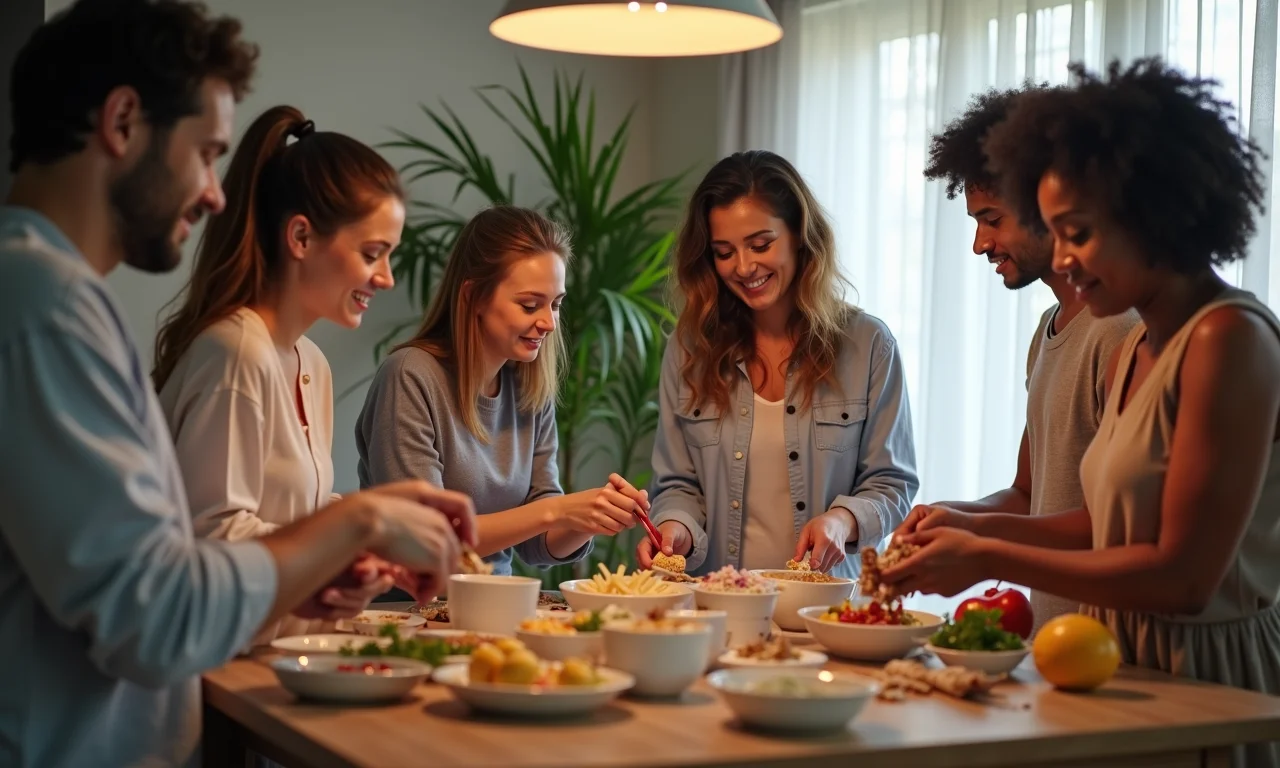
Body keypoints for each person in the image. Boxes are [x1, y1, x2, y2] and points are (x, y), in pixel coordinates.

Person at [0, 2, 475, 765]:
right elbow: (156, 618)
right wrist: (354, 523)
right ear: (122, 122)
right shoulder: (45, 311)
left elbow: (161, 572)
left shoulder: (55, 300)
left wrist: (312, 575)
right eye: (204, 153)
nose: (216, 194)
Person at [883, 59, 1280, 767]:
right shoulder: (1142, 345)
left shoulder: (1229, 338)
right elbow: (1103, 525)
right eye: (1057, 234)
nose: (1063, 260)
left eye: (1078, 232)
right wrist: (969, 527)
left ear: (1151, 213)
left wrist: (987, 555)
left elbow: (1186, 580)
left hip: (1202, 682)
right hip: (1111, 665)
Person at [152, 105, 408, 645]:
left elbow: (292, 516)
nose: (386, 277)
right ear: (301, 237)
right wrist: (350, 535)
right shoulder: (235, 353)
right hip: (224, 667)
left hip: (289, 654)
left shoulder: (310, 363)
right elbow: (215, 541)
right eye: (373, 253)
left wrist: (367, 548)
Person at [899, 86, 1138, 632]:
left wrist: (980, 546)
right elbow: (1030, 495)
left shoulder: (1120, 332)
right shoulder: (1046, 331)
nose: (980, 243)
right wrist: (954, 516)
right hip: (1055, 640)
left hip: (1111, 646)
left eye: (992, 219)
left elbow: (1120, 527)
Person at [639, 150, 919, 579]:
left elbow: (892, 484)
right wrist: (676, 529)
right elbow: (678, 484)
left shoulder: (868, 345)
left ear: (799, 235)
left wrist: (841, 521)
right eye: (724, 252)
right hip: (716, 601)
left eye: (760, 244)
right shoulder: (689, 348)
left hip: (826, 606)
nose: (744, 267)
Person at [357, 205, 648, 575]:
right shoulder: (410, 376)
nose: (549, 323)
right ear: (473, 296)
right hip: (407, 605)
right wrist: (557, 510)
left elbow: (537, 544)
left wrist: (593, 516)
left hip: (496, 601)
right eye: (530, 305)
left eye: (556, 304)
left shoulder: (529, 387)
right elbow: (426, 537)